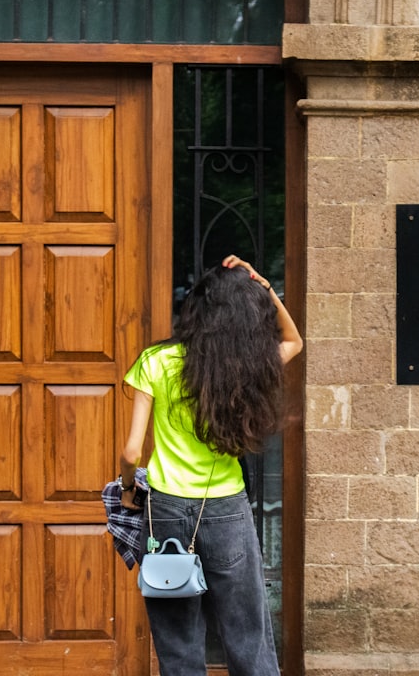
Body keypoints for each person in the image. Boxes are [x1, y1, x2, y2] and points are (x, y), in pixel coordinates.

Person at [117, 254, 302, 676]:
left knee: (178, 639)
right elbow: (294, 341)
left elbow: (131, 453)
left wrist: (129, 489)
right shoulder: (246, 367)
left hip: (164, 508)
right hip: (224, 508)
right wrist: (264, 286)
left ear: (197, 306)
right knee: (246, 632)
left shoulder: (156, 361)